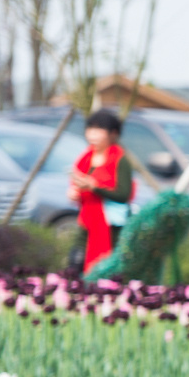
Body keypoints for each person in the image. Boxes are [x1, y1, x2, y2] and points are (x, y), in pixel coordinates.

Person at [68, 109, 134, 275]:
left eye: (99, 130)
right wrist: (75, 192)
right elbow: (77, 185)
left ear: (113, 134)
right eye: (90, 129)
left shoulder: (120, 160)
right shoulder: (85, 158)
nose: (93, 135)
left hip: (111, 225)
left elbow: (124, 194)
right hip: (87, 219)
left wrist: (94, 187)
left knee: (105, 268)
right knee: (75, 262)